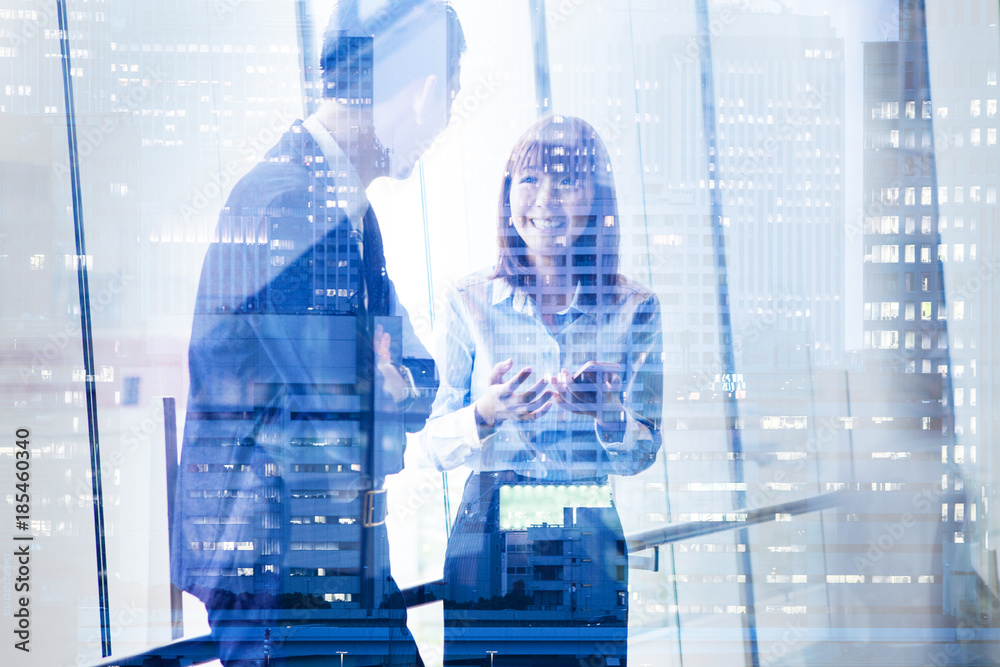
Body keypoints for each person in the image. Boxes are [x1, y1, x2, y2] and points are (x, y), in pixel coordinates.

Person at [172, 2, 465, 665]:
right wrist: (379, 391)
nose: (439, 129)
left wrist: (385, 387)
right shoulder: (282, 202)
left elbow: (419, 378)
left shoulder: (348, 212)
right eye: (447, 102)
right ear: (419, 90)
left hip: (342, 562)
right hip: (288, 576)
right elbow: (334, 411)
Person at [418, 114, 663, 666]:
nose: (546, 199)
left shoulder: (634, 308)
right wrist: (485, 413)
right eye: (529, 179)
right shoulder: (466, 299)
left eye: (568, 182)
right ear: (508, 197)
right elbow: (432, 446)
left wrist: (609, 416)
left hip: (587, 535)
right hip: (488, 537)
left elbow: (645, 448)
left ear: (595, 199)